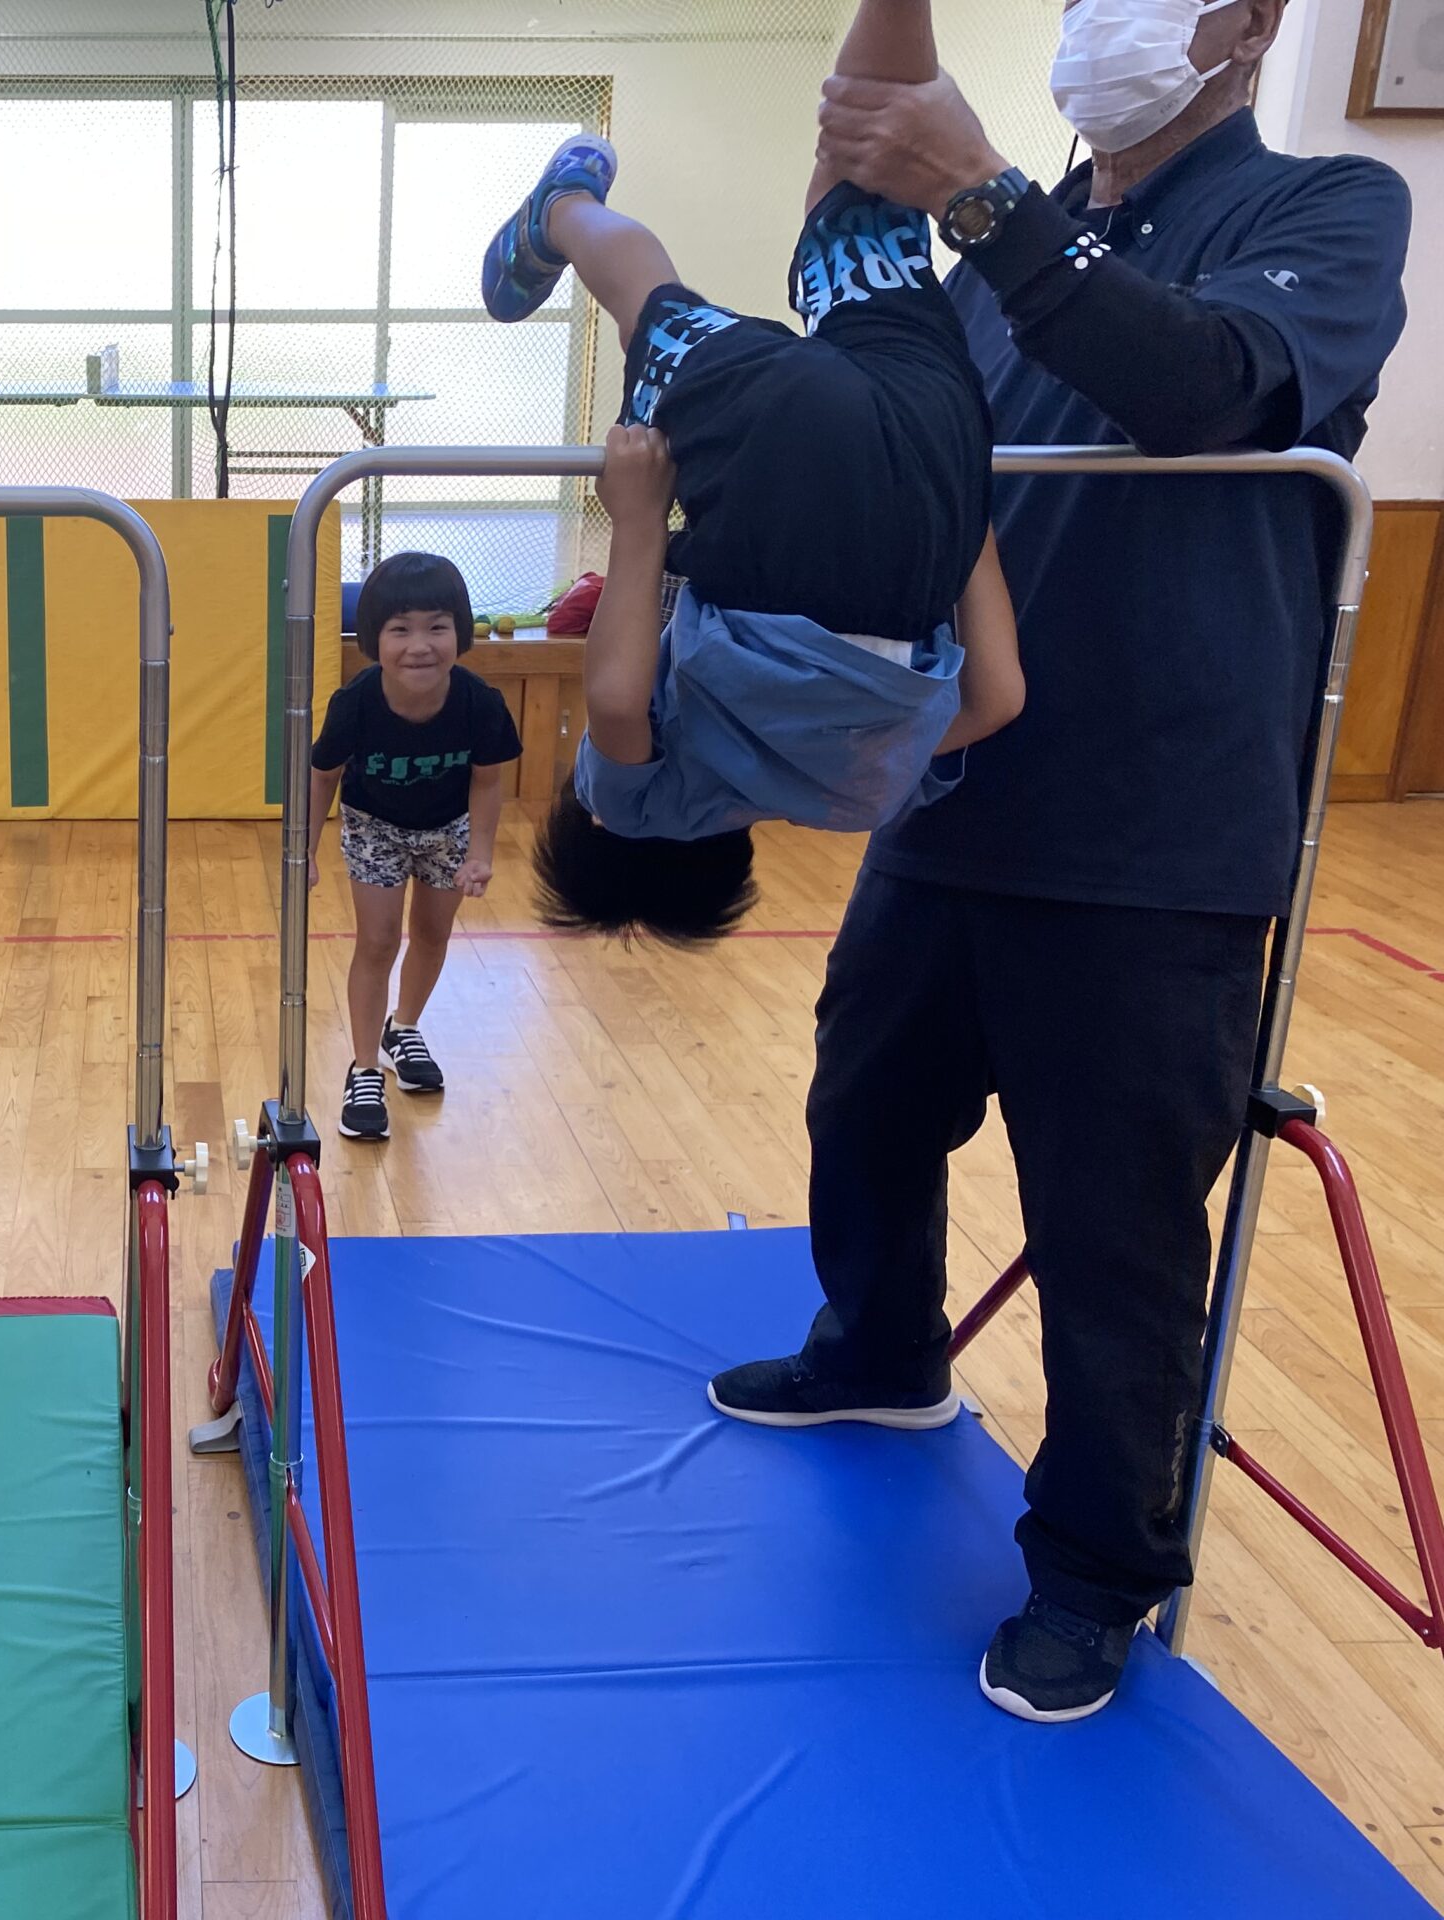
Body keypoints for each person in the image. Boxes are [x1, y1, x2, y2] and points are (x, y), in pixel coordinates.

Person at [712, 0, 1411, 1723]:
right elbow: (901, 396)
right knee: (867, 1103)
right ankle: (882, 1352)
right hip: (958, 793)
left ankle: (1097, 1573)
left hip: (1156, 832)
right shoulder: (994, 266)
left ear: (1250, 26)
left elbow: (1205, 384)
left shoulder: (1327, 207)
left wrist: (983, 193)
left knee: (1114, 1231)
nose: (1108, 18)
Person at [493, 0, 1025, 949]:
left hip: (931, 471)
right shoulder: (641, 801)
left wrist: (966, 509)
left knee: (862, 181)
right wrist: (638, 524)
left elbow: (998, 700)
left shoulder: (863, 790)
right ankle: (562, 211)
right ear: (608, 823)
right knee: (646, 297)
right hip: (787, 489)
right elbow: (615, 701)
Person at [306, 553, 521, 1143]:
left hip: (448, 827)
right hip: (375, 825)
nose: (420, 646)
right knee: (377, 942)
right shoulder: (355, 703)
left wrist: (480, 853)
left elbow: (487, 781)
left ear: (460, 632)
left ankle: (403, 1028)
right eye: (400, 629)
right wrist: (304, 850)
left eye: (437, 627)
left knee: (431, 934)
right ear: (374, 639)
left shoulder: (480, 703)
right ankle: (364, 1069)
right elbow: (322, 777)